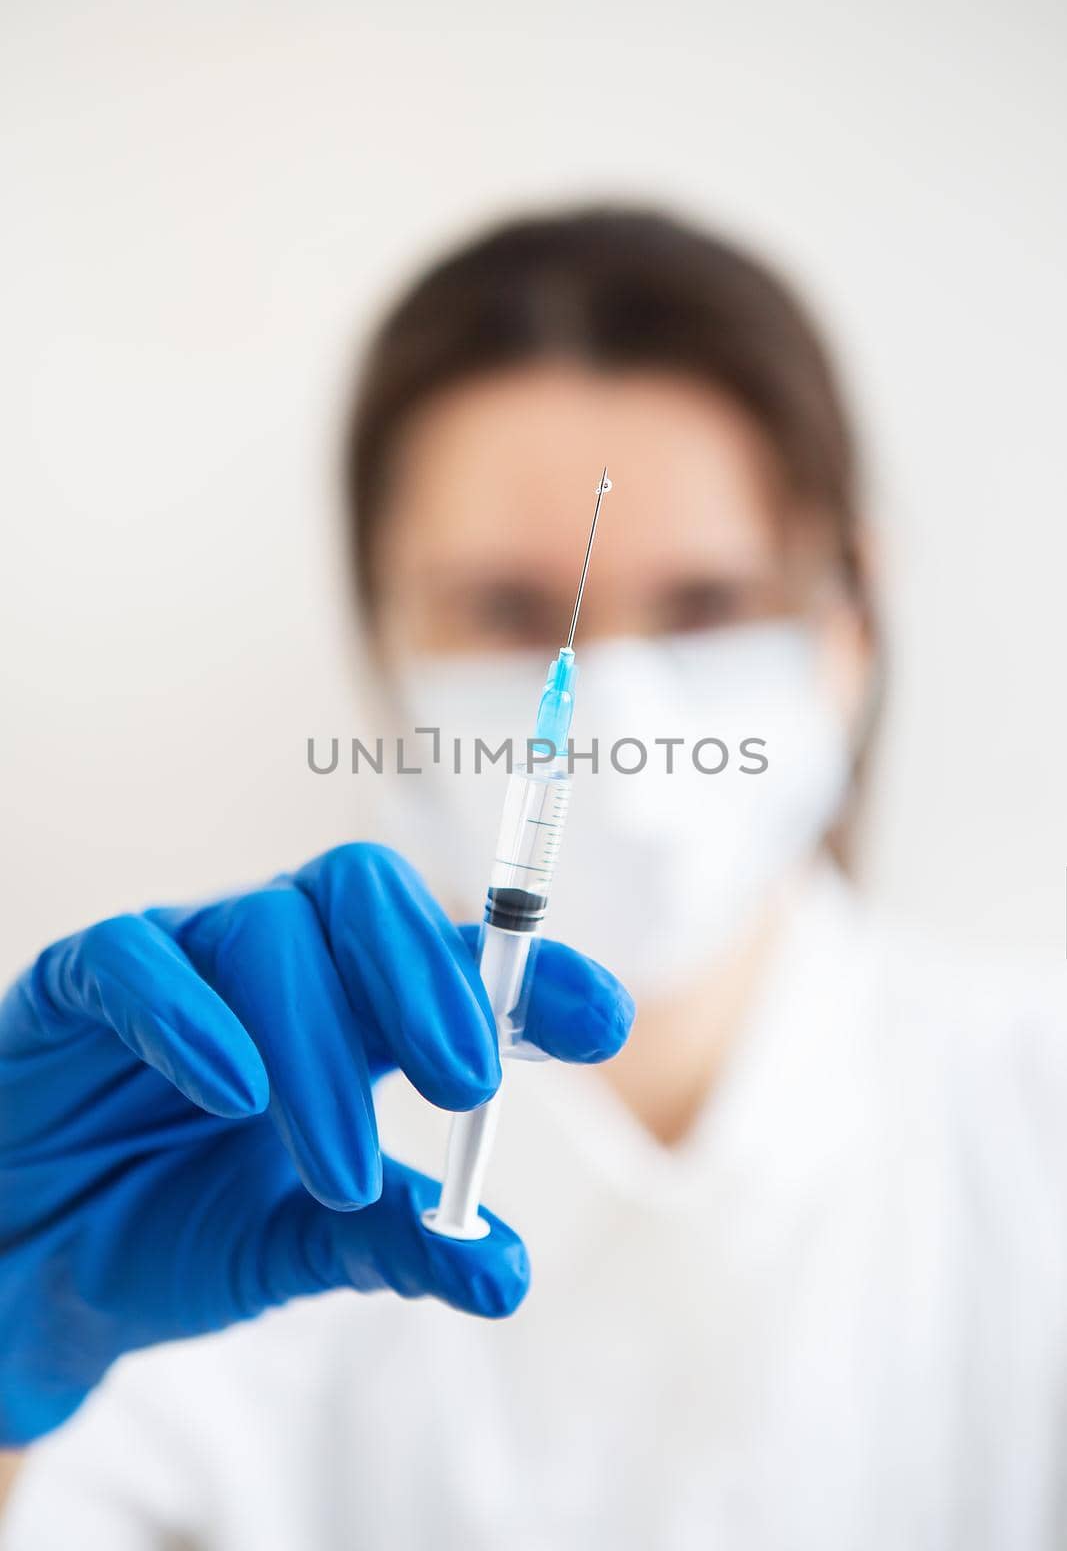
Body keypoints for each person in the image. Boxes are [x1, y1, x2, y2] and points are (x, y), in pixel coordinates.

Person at [2, 207, 1065, 1550]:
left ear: (849, 628)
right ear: (381, 650)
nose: (612, 713)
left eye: (708, 606)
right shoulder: (224, 1180)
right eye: (510, 611)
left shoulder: (1040, 1129)